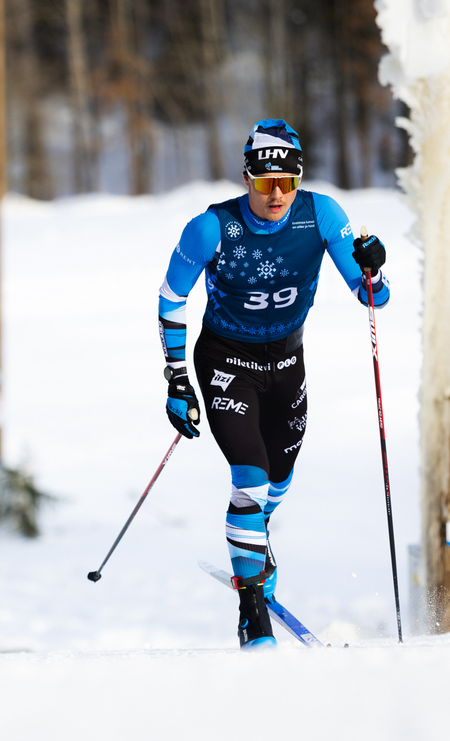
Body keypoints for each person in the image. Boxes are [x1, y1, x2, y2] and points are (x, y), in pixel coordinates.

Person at [157, 119, 389, 649]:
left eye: (287, 181)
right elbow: (172, 298)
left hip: (287, 363)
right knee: (251, 479)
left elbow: (373, 297)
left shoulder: (322, 215)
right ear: (247, 179)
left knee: (276, 486)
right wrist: (177, 379)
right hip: (226, 360)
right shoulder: (211, 228)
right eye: (265, 182)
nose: (277, 193)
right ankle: (252, 613)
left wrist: (373, 268)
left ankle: (255, 546)